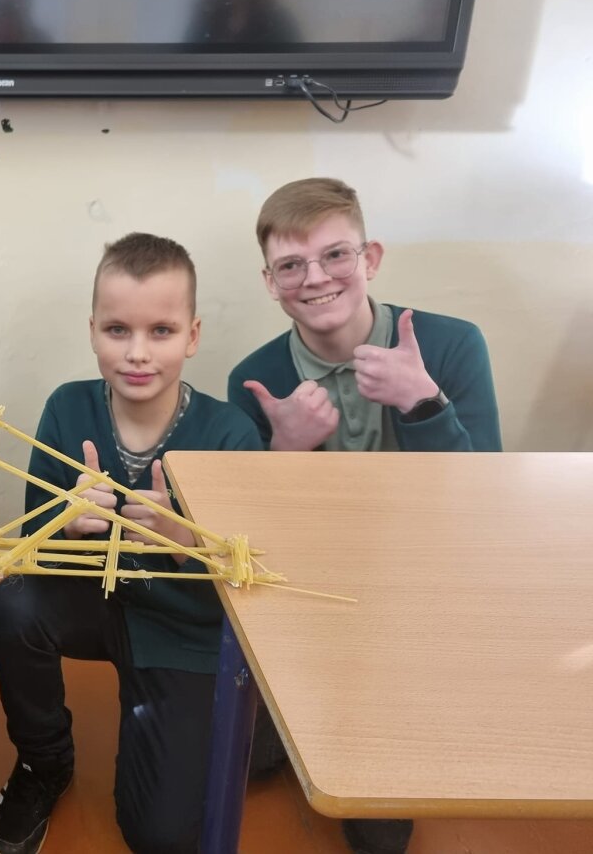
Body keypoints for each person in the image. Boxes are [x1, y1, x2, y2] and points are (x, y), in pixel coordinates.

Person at [227, 177, 501, 854]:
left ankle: (382, 715)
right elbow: (249, 531)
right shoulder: (254, 378)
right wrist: (284, 452)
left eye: (336, 255)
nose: (316, 279)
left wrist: (425, 403)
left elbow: (483, 502)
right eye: (292, 265)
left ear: (370, 258)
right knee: (243, 761)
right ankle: (305, 709)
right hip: (311, 590)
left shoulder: (451, 345)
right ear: (270, 282)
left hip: (421, 585)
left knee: (379, 827)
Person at [0, 232, 262, 854]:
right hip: (93, 603)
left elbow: (243, 590)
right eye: (117, 330)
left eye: (161, 331)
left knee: (160, 836)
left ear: (192, 335)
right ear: (93, 332)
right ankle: (44, 761)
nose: (137, 353)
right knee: (11, 606)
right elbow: (31, 554)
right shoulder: (67, 408)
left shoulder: (230, 435)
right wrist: (65, 526)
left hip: (182, 629)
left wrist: (184, 542)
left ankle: (248, 725)